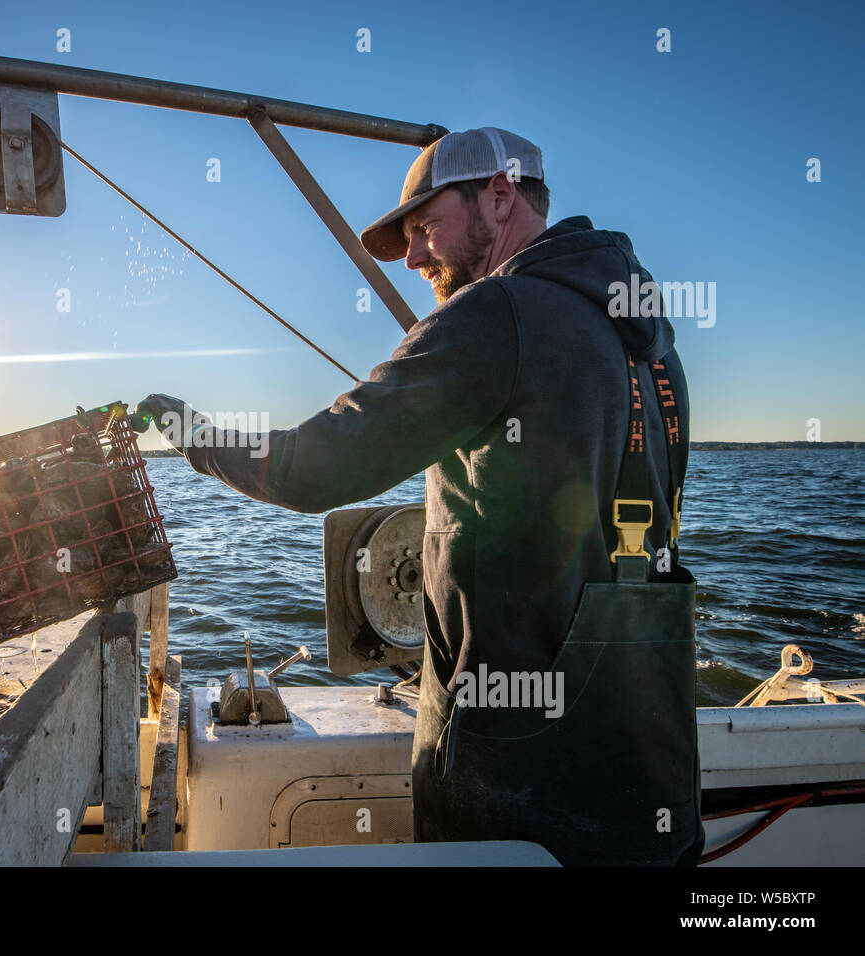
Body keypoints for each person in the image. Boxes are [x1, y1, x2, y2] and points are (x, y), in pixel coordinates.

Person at [135, 128, 702, 866]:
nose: (412, 257)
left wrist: (191, 430)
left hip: (519, 781)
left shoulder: (496, 313)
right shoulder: (649, 341)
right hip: (651, 768)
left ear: (499, 195)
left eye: (426, 226)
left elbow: (314, 465)